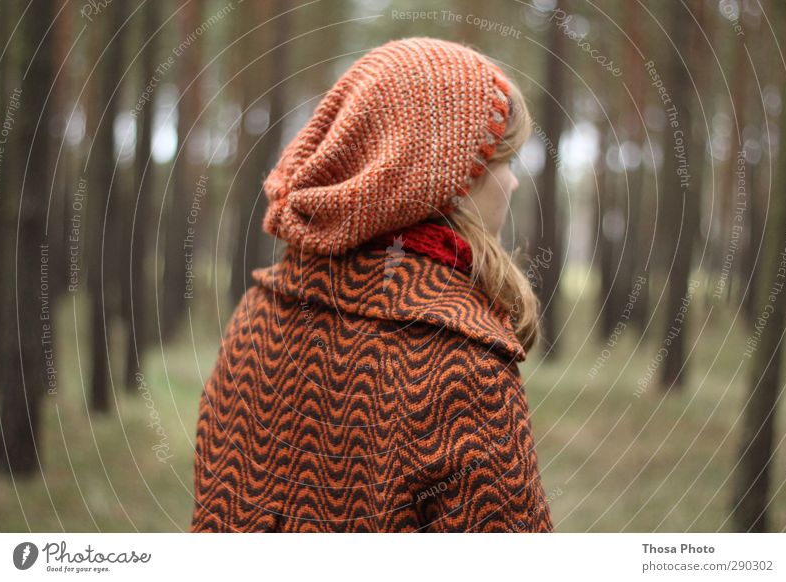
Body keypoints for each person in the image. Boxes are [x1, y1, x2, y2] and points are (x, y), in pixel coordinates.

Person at [190, 36, 553, 533]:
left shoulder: (254, 317)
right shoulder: (463, 370)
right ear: (445, 179)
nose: (511, 182)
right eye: (503, 160)